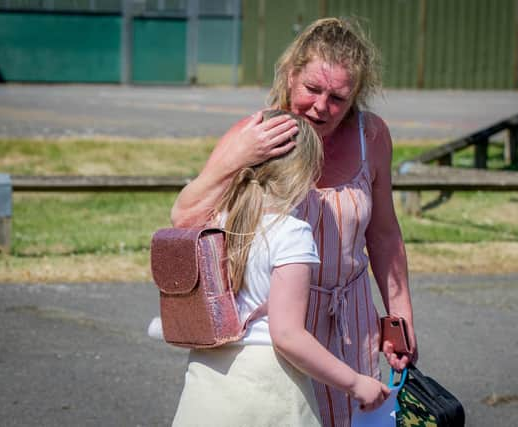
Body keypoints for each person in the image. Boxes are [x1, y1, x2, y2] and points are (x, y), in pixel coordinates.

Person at [170, 18, 418, 427]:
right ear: (290, 76)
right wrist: (237, 157)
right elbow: (184, 217)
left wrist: (400, 320)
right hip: (282, 330)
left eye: (338, 97)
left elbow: (385, 234)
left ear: (356, 93)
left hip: (352, 320)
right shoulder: (257, 133)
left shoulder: (370, 135)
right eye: (312, 89)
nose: (322, 107)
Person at [171, 110, 390, 427]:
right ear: (308, 176)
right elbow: (287, 335)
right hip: (267, 385)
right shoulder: (292, 234)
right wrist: (355, 382)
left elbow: (179, 212)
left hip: (208, 379)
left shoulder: (218, 221)